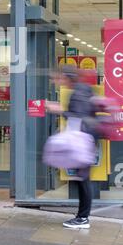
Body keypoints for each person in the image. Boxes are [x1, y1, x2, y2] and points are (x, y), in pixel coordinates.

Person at [46, 65, 97, 229]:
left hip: (82, 142)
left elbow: (79, 118)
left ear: (66, 77)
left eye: (57, 78)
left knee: (83, 180)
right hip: (85, 140)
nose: (56, 82)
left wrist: (60, 110)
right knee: (82, 179)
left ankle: (83, 218)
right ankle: (82, 217)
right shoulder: (82, 89)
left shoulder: (79, 93)